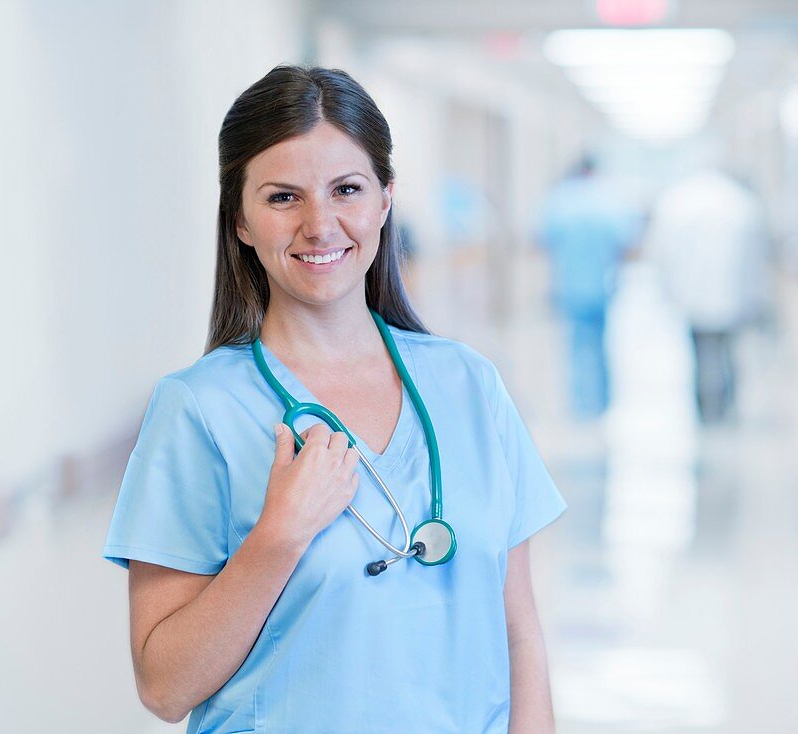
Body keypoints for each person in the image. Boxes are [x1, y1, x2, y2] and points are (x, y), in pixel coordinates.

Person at [101, 65, 567, 734]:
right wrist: (279, 535)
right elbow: (165, 687)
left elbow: (520, 633)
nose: (320, 225)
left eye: (346, 189)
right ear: (240, 219)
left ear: (384, 201)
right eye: (284, 197)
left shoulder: (469, 386)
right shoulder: (198, 411)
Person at [645, 167, 769, 424]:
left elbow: (660, 254)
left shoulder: (678, 204)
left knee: (702, 351)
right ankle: (724, 401)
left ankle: (706, 403)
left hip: (693, 295)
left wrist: (666, 292)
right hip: (732, 293)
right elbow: (758, 256)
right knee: (726, 348)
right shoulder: (740, 205)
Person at [535, 155, 641, 419]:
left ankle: (583, 406)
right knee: (602, 342)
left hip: (570, 286)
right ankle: (604, 401)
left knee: (578, 346)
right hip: (603, 284)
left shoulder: (560, 200)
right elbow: (628, 242)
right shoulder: (609, 199)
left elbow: (540, 239)